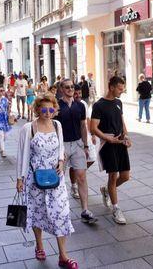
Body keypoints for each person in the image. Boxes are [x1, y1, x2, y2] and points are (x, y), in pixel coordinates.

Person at [16, 94, 77, 269]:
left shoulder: (57, 125)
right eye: (44, 109)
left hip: (56, 178)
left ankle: (63, 256)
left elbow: (61, 147)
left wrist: (60, 161)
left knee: (61, 212)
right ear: (37, 109)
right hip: (35, 179)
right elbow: (22, 154)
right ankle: (39, 245)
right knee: (37, 213)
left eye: (51, 109)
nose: (48, 113)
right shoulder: (29, 128)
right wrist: (20, 179)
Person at [90, 76, 132, 225]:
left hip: (120, 142)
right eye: (120, 89)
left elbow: (121, 121)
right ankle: (116, 209)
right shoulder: (99, 105)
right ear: (111, 87)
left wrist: (126, 136)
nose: (122, 91)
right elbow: (93, 128)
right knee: (113, 177)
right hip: (108, 144)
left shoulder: (119, 102)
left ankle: (107, 190)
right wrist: (108, 139)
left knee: (125, 176)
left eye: (123, 88)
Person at [54, 79, 97, 224]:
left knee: (82, 177)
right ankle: (58, 209)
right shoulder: (57, 106)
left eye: (72, 87)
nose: (70, 89)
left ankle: (85, 210)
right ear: (61, 89)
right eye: (67, 87)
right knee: (58, 178)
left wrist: (85, 145)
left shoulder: (80, 106)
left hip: (78, 144)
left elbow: (83, 126)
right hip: (62, 146)